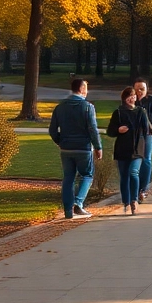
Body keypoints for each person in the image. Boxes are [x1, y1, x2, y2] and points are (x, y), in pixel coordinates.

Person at [48, 78, 101, 220]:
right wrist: (98, 147)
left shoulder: (60, 107)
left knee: (68, 178)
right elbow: (92, 129)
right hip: (83, 148)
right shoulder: (88, 107)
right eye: (86, 88)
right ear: (82, 89)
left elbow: (52, 130)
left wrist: (61, 141)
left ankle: (67, 211)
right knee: (87, 175)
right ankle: (78, 202)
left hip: (66, 148)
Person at [106, 86, 152, 215]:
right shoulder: (118, 112)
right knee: (124, 176)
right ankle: (126, 202)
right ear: (124, 98)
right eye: (129, 96)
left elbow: (148, 130)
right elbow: (110, 131)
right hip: (122, 148)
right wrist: (118, 130)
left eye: (133, 96)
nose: (131, 98)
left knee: (133, 172)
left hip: (137, 149)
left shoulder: (140, 112)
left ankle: (134, 200)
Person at [132, 78, 152, 200]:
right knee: (134, 160)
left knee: (146, 160)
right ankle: (134, 188)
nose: (139, 91)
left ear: (147, 89)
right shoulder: (131, 100)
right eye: (137, 89)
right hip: (133, 135)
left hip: (148, 135)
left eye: (142, 89)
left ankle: (143, 189)